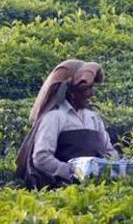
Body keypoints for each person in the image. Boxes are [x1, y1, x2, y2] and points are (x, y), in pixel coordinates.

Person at [15, 60, 118, 189]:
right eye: (86, 89)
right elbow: (41, 157)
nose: (91, 94)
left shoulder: (93, 118)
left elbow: (109, 150)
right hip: (63, 189)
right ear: (71, 93)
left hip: (96, 190)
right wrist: (71, 172)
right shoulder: (54, 117)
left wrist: (112, 166)